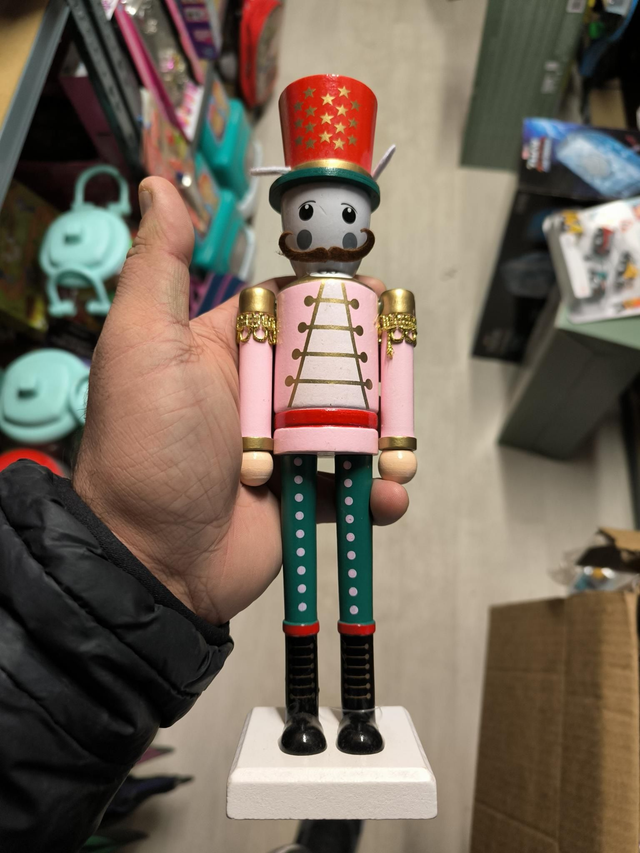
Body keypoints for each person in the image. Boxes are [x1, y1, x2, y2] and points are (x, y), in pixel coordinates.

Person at [0, 178, 410, 853]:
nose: (327, 227)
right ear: (287, 225)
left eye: (345, 212)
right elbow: (258, 369)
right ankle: (303, 712)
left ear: (366, 223)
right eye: (309, 211)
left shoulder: (384, 304)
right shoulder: (265, 304)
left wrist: (398, 439)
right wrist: (253, 443)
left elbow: (396, 369)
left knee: (356, 583)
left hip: (356, 441)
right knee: (301, 589)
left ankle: (359, 710)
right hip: (288, 446)